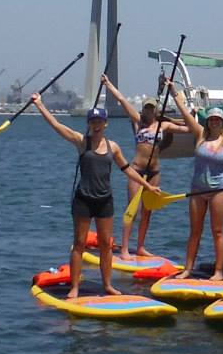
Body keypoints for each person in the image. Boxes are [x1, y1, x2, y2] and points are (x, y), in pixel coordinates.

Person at [32, 97, 161, 298]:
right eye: (93, 122)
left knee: (105, 245)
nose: (96, 125)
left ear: (105, 123)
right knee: (79, 243)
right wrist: (40, 104)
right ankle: (74, 287)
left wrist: (147, 186)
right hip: (83, 199)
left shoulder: (114, 147)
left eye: (99, 122)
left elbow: (127, 169)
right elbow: (57, 126)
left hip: (104, 201)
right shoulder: (82, 142)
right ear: (89, 124)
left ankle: (108, 285)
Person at [102, 72, 188, 257]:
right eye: (146, 108)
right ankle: (125, 248)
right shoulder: (138, 122)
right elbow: (122, 100)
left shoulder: (164, 126)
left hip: (154, 171)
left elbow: (189, 128)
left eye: (151, 108)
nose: (148, 111)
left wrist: (178, 98)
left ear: (156, 110)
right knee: (132, 209)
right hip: (137, 169)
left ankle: (140, 246)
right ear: (143, 110)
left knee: (148, 211)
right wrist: (108, 85)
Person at [169, 101, 223, 278]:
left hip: (218, 189)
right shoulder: (200, 134)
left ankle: (218, 271)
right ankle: (187, 269)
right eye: (211, 119)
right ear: (207, 122)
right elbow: (187, 116)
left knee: (217, 231)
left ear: (222, 122)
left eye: (217, 119)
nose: (214, 122)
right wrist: (173, 93)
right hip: (197, 189)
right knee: (195, 231)